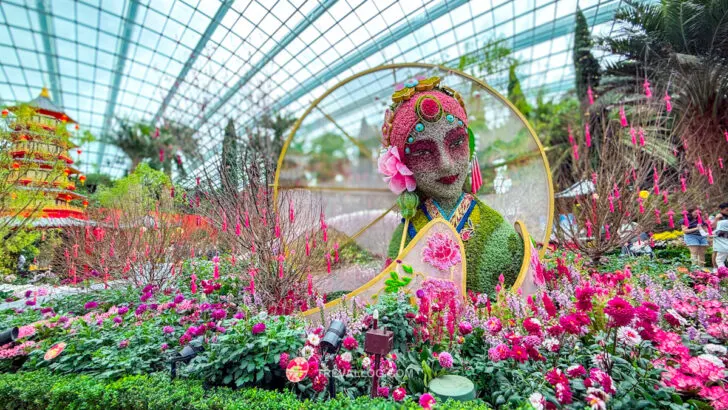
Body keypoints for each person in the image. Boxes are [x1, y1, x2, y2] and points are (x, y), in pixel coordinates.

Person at [380, 76, 527, 295]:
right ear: (403, 165)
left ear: (470, 144)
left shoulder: (496, 227)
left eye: (457, 143)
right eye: (423, 152)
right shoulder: (404, 236)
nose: (447, 165)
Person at [713, 203, 728, 270]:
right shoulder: (717, 216)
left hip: (725, 239)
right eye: (726, 210)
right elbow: (713, 227)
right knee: (716, 253)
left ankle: (723, 272)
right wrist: (716, 219)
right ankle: (715, 268)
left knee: (720, 259)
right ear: (721, 209)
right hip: (719, 239)